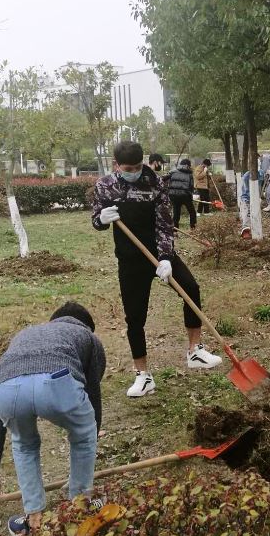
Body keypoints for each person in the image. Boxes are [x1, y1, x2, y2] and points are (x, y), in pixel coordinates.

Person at [92, 141, 221, 398]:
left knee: (191, 288)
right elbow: (97, 219)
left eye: (138, 166)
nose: (135, 171)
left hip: (160, 253)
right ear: (116, 165)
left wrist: (165, 258)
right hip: (130, 259)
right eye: (129, 168)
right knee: (135, 317)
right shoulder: (105, 186)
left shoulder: (155, 183)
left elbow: (165, 224)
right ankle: (143, 376)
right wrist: (101, 219)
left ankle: (195, 351)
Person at [0, 302, 106, 536]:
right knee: (83, 436)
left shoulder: (26, 334)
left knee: (23, 444)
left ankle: (34, 519)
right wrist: (92, 432)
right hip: (57, 382)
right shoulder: (87, 336)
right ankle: (78, 508)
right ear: (87, 326)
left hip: (7, 388)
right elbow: (92, 390)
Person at [168, 158, 197, 229]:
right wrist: (191, 195)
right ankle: (193, 227)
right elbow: (191, 186)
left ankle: (175, 229)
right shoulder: (189, 174)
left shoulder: (173, 172)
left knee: (176, 212)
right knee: (192, 211)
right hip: (185, 195)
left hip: (173, 195)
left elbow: (168, 181)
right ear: (187, 165)